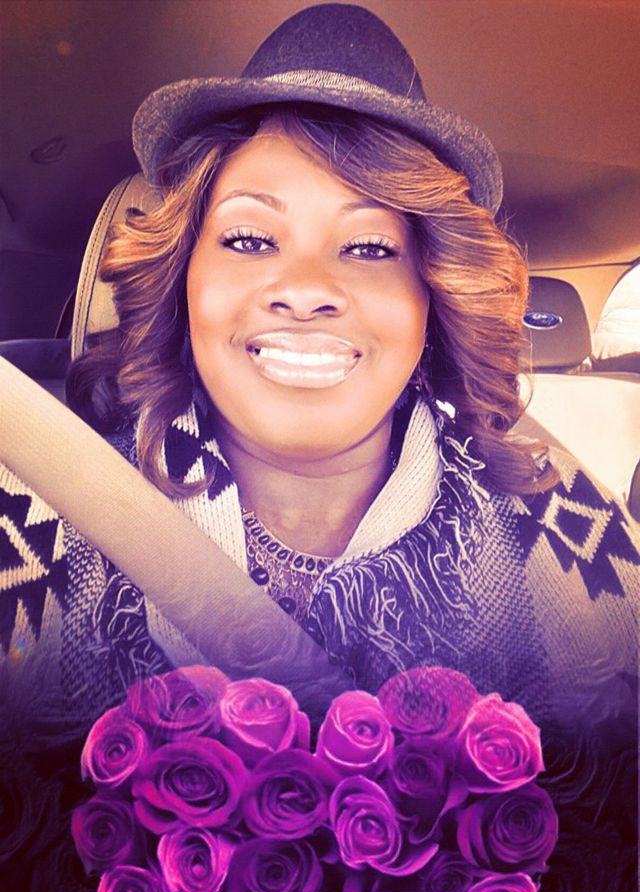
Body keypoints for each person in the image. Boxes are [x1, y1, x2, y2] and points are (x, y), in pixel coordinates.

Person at [0, 2, 637, 747]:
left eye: (369, 248)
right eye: (248, 238)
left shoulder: (567, 527)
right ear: (183, 279)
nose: (305, 290)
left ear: (432, 296)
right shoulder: (36, 514)